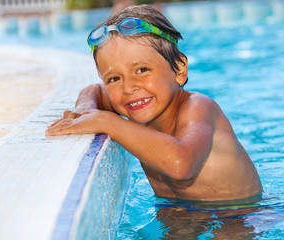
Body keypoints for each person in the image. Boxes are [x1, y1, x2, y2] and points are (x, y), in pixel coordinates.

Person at [45, 5, 262, 202]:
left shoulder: (199, 107)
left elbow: (180, 164)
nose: (128, 88)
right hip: (176, 211)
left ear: (179, 69)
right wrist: (85, 110)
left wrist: (108, 122)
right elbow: (93, 90)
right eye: (114, 78)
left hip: (236, 214)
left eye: (142, 70)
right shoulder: (135, 101)